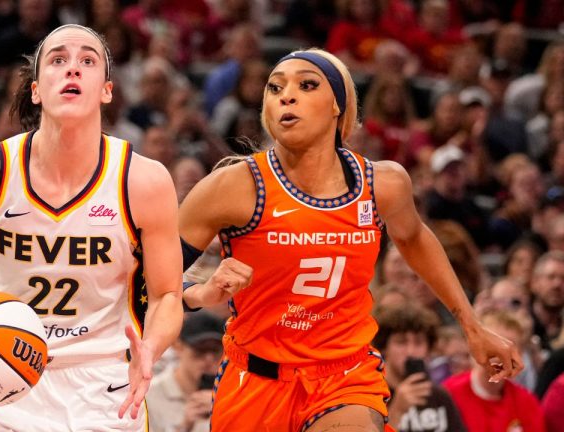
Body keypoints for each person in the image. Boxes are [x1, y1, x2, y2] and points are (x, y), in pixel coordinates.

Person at [179, 48, 522, 431]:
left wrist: (471, 325)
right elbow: (143, 279)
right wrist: (199, 293)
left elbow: (414, 239)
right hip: (255, 379)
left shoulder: (382, 183)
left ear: (337, 106)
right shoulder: (233, 187)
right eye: (275, 88)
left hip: (344, 375)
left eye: (307, 85)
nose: (286, 96)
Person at [0, 24, 183, 432]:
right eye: (58, 60)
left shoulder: (143, 181)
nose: (73, 69)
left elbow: (168, 294)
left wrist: (152, 346)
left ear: (106, 89)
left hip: (99, 378)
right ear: (35, 89)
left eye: (87, 61)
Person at [443, 311, 546, 432]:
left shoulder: (527, 403)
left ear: (520, 354)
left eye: (510, 347)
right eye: (496, 343)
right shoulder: (449, 394)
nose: (502, 353)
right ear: (476, 346)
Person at [373, 304, 466, 432]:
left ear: (428, 349)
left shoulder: (439, 397)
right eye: (401, 342)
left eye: (418, 343)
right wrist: (396, 411)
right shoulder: (373, 395)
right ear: (384, 347)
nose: (410, 351)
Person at [146, 312, 225, 432]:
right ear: (179, 346)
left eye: (215, 350)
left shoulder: (228, 395)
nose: (209, 358)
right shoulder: (149, 395)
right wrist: (184, 427)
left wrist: (223, 411)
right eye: (200, 349)